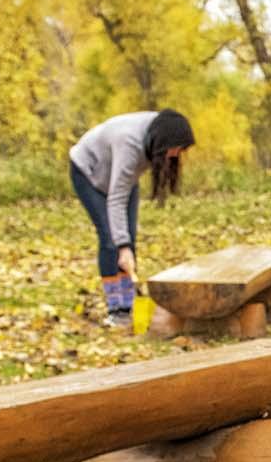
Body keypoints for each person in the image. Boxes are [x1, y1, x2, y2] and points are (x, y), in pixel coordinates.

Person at [69, 109, 196, 328]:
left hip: (118, 175)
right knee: (111, 240)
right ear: (162, 142)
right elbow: (116, 199)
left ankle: (128, 306)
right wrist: (123, 245)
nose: (175, 154)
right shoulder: (129, 143)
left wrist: (127, 243)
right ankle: (116, 310)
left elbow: (123, 185)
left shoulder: (160, 129)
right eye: (174, 149)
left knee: (128, 237)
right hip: (88, 172)